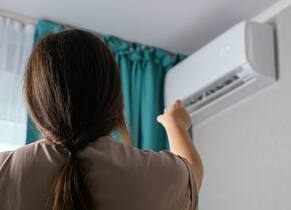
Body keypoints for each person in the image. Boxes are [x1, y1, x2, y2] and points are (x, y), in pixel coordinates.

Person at [0, 29, 203, 210]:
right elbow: (191, 174)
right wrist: (175, 124)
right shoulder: (160, 175)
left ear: (35, 102)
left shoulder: (4, 170)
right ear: (115, 99)